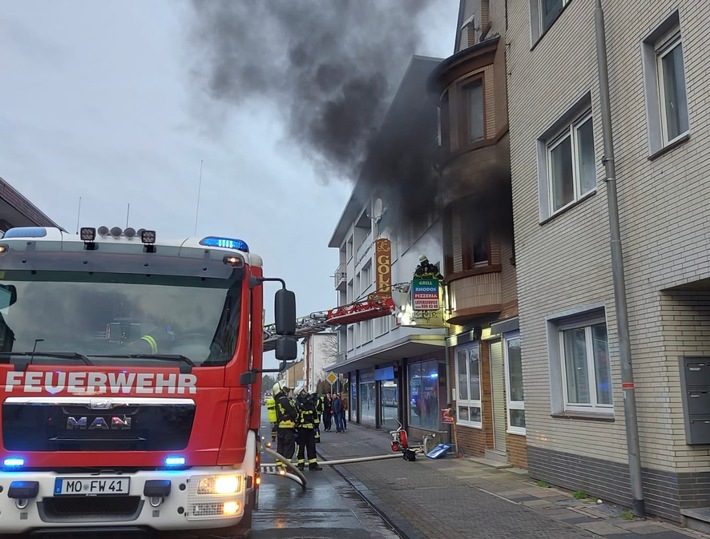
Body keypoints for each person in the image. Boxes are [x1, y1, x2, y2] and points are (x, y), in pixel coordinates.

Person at [295, 387, 322, 470]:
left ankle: (313, 464)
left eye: (304, 391)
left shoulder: (310, 402)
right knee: (301, 447)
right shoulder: (297, 403)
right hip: (301, 429)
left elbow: (314, 414)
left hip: (310, 428)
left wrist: (316, 425)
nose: (305, 393)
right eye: (302, 392)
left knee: (311, 446)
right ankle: (300, 464)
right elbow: (296, 415)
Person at [273, 382, 298, 468]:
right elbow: (293, 413)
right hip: (288, 427)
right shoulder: (285, 400)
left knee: (281, 445)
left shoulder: (277, 401)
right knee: (289, 446)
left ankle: (279, 463)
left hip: (280, 427)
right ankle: (286, 466)